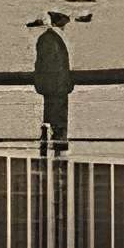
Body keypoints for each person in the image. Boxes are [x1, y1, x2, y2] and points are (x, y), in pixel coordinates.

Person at [32, 11, 75, 154]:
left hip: (50, 86)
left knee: (50, 116)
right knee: (59, 119)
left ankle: (48, 143)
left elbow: (41, 65)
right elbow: (58, 67)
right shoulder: (54, 40)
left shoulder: (46, 38)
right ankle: (58, 146)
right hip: (58, 87)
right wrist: (67, 84)